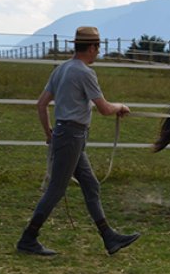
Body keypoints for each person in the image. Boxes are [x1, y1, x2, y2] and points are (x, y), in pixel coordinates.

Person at [16, 26, 140, 256]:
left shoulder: (61, 69)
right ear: (91, 47)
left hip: (68, 136)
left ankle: (109, 237)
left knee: (91, 185)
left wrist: (49, 133)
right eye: (98, 48)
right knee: (56, 189)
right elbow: (104, 108)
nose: (98, 52)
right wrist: (121, 107)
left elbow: (41, 104)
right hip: (72, 136)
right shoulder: (84, 73)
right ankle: (28, 238)